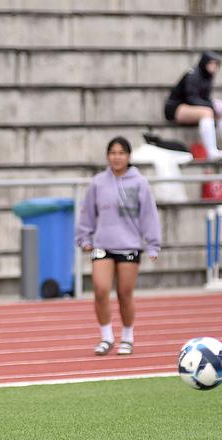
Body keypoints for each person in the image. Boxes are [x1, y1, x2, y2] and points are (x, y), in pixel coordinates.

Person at [76, 137, 161, 356]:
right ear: (107, 156)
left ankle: (127, 336)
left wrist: (152, 244)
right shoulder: (98, 182)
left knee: (124, 293)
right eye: (113, 153)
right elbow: (87, 212)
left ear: (128, 156)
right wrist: (84, 238)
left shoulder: (139, 182)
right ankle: (106, 337)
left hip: (129, 246)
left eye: (121, 153)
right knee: (101, 290)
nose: (117, 157)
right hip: (103, 245)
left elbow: (148, 215)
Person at [164, 51, 222, 161]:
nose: (214, 67)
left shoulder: (208, 76)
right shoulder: (192, 74)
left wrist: (216, 106)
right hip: (177, 108)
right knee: (207, 112)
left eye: (216, 64)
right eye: (211, 63)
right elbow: (191, 98)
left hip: (194, 107)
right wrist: (212, 106)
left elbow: (205, 97)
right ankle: (211, 151)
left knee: (221, 114)